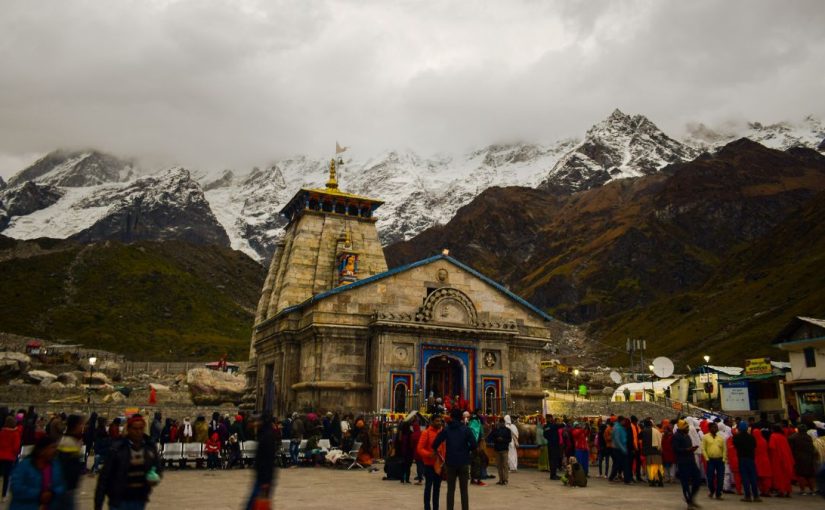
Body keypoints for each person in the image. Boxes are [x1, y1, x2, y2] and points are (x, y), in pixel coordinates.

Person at [94, 414, 162, 510]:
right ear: (128, 429)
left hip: (139, 499)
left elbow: (157, 467)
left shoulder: (149, 448)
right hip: (119, 500)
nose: (138, 432)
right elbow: (104, 477)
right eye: (135, 429)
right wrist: (98, 503)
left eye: (141, 428)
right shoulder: (117, 448)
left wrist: (155, 477)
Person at [432, 409, 477, 510]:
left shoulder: (447, 429)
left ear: (451, 417)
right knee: (464, 491)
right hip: (464, 462)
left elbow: (436, 442)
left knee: (450, 490)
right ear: (461, 418)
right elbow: (474, 444)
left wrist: (436, 450)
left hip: (450, 462)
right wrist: (466, 450)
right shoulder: (466, 429)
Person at [10, 436, 66, 510]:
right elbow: (16, 488)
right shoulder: (24, 466)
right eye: (52, 447)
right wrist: (39, 494)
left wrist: (52, 493)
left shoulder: (55, 465)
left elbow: (61, 485)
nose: (55, 450)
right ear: (42, 450)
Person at [245, 414, 277, 510]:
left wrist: (266, 481)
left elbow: (268, 460)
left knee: (254, 504)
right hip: (261, 476)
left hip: (263, 478)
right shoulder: (263, 434)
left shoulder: (266, 437)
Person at [417, 414, 446, 510]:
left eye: (440, 421)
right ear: (431, 422)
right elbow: (420, 448)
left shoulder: (441, 433)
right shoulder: (426, 433)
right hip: (429, 465)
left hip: (439, 465)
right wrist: (429, 454)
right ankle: (427, 507)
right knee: (428, 488)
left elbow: (443, 447)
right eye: (437, 421)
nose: (439, 423)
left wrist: (444, 459)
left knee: (437, 489)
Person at [57, 414, 86, 509]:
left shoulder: (72, 440)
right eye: (81, 424)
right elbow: (66, 467)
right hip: (66, 487)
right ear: (75, 425)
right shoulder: (68, 443)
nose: (83, 427)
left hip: (69, 487)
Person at [673, 419, 703, 508]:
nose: (688, 429)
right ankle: (689, 502)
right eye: (686, 427)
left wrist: (692, 449)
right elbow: (675, 449)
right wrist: (686, 450)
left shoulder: (687, 436)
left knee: (697, 480)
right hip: (683, 462)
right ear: (682, 428)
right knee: (685, 483)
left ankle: (691, 498)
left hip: (691, 461)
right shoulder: (677, 436)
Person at [733, 421, 760, 502]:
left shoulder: (736, 437)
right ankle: (756, 496)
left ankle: (747, 496)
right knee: (753, 477)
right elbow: (755, 446)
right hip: (751, 459)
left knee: (745, 478)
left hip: (742, 459)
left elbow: (735, 446)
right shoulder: (751, 437)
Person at [789, 424, 819, 495]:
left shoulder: (794, 437)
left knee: (801, 474)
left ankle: (803, 490)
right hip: (809, 457)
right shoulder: (808, 437)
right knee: (810, 474)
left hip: (799, 458)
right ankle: (812, 490)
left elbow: (791, 448)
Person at [701, 421, 726, 499]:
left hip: (720, 460)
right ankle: (712, 490)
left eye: (716, 427)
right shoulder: (705, 437)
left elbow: (724, 449)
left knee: (720, 477)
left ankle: (718, 493)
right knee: (710, 477)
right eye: (713, 427)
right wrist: (707, 458)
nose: (715, 428)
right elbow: (703, 448)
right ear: (710, 428)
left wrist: (724, 459)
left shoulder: (720, 438)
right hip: (710, 460)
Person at [768, 424, 794, 497]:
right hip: (787, 457)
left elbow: (771, 447)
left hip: (777, 458)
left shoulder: (773, 436)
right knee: (786, 475)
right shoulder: (783, 437)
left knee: (779, 475)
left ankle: (781, 491)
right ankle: (788, 491)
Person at [0, 415, 21, 501]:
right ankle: (4, 495)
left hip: (0, 455)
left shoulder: (1, 432)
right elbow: (16, 447)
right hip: (9, 457)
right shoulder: (15, 434)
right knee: (6, 476)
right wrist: (16, 454)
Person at [487, 417, 512, 485]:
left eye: (502, 422)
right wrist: (496, 439)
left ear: (504, 423)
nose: (501, 424)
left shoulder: (507, 430)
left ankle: (505, 479)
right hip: (498, 450)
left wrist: (502, 440)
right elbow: (489, 438)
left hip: (503, 450)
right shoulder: (496, 430)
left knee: (504, 465)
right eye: (500, 422)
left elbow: (509, 440)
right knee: (500, 466)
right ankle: (501, 479)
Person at [641, 419, 664, 487]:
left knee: (651, 467)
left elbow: (641, 439)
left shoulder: (644, 431)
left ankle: (652, 481)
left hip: (649, 452)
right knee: (658, 466)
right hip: (657, 451)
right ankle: (660, 481)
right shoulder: (656, 430)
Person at [544, 416, 562, 480]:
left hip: (550, 444)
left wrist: (550, 439)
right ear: (550, 419)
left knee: (551, 459)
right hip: (554, 445)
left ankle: (552, 474)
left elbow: (545, 435)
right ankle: (553, 475)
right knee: (554, 460)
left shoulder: (546, 427)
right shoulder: (553, 426)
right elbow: (562, 425)